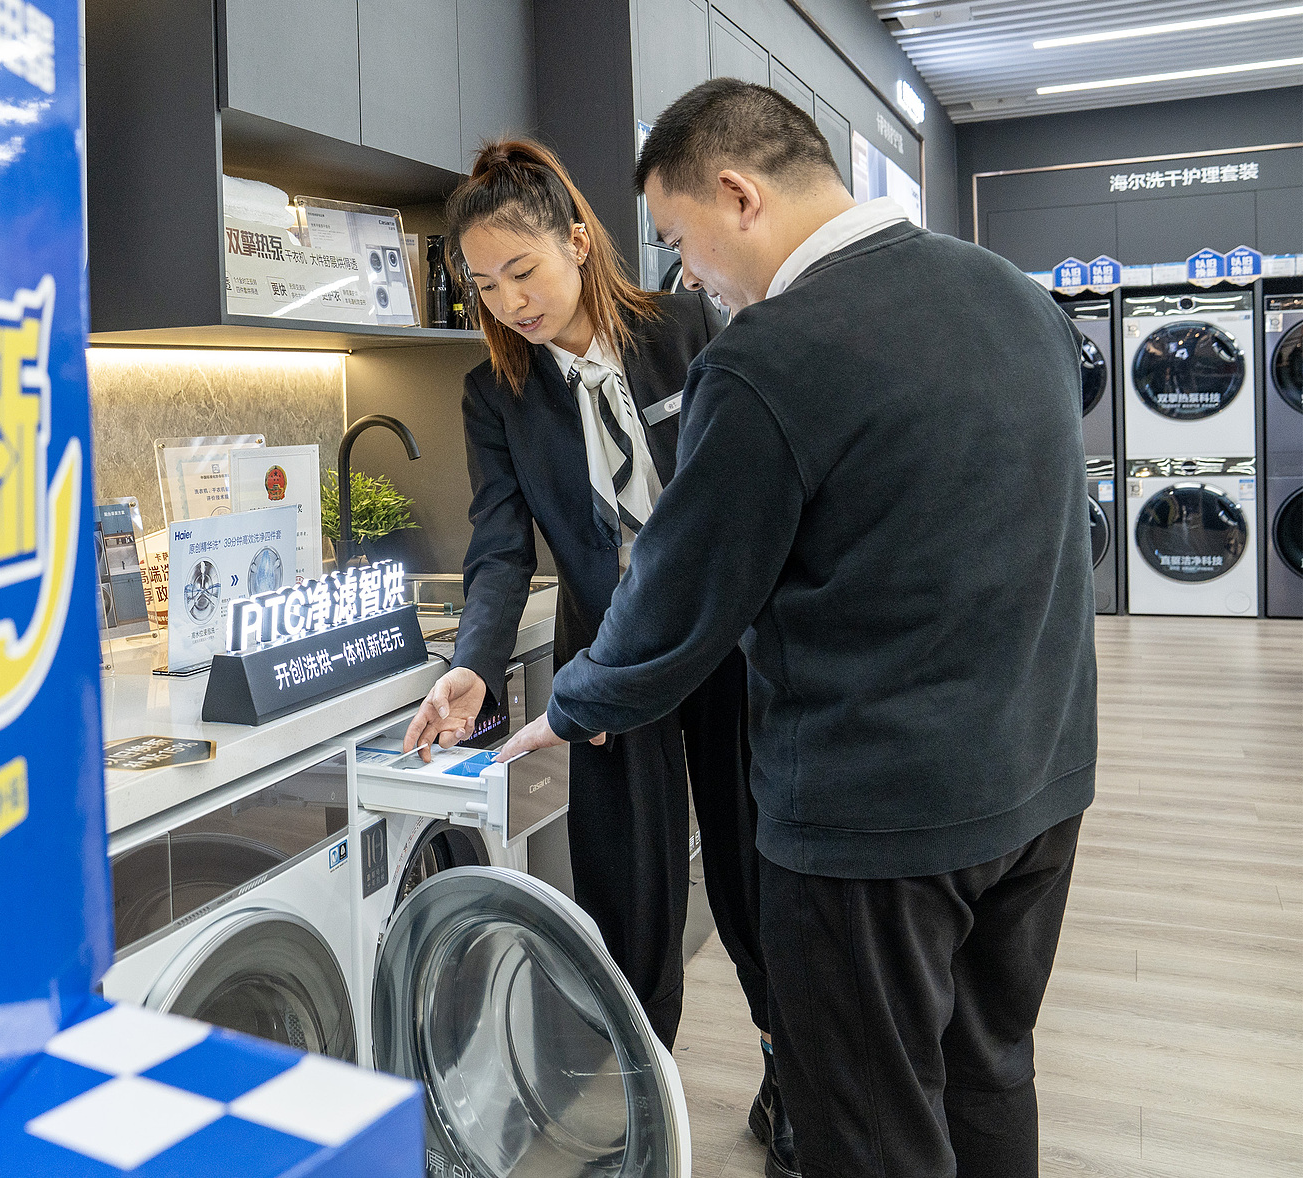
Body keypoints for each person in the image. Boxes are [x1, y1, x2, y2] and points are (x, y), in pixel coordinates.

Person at [464, 79, 1098, 1178]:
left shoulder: (762, 358)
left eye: (679, 240)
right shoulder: (1015, 298)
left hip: (874, 819)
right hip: (1036, 783)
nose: (689, 273)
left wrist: (569, 703)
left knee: (865, 1118)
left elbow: (688, 578)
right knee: (986, 1066)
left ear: (735, 194)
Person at [400, 139, 797, 1175]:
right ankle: (639, 1097)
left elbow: (747, 494)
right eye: (484, 285)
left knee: (755, 869)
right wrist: (472, 666)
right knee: (627, 889)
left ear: (577, 239)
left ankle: (782, 1070)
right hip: (606, 665)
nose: (508, 301)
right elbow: (497, 547)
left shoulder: (686, 330)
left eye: (521, 271)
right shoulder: (496, 391)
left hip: (723, 636)